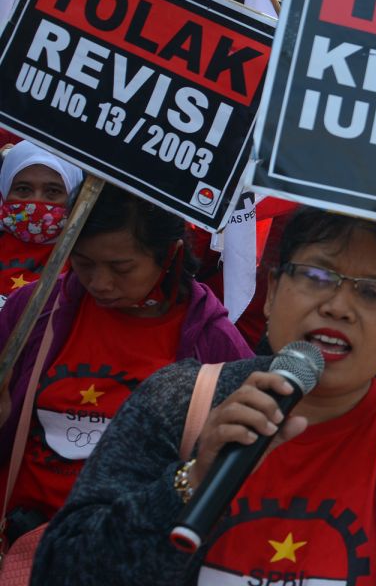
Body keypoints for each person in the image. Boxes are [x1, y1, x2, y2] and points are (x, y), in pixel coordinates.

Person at [32, 208, 376, 584]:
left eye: (375, 293)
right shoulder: (179, 402)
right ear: (273, 291)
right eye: (317, 276)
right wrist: (189, 482)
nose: (338, 306)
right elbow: (61, 569)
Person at [0, 186, 251, 545]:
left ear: (169, 255)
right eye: (83, 263)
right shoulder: (36, 309)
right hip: (20, 545)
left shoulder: (213, 342)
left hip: (128, 552)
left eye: (121, 267)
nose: (99, 283)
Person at [0, 141, 84, 300]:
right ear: (4, 191)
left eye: (52, 191)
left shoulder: (85, 260)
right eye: (23, 189)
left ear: (73, 197)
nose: (35, 202)